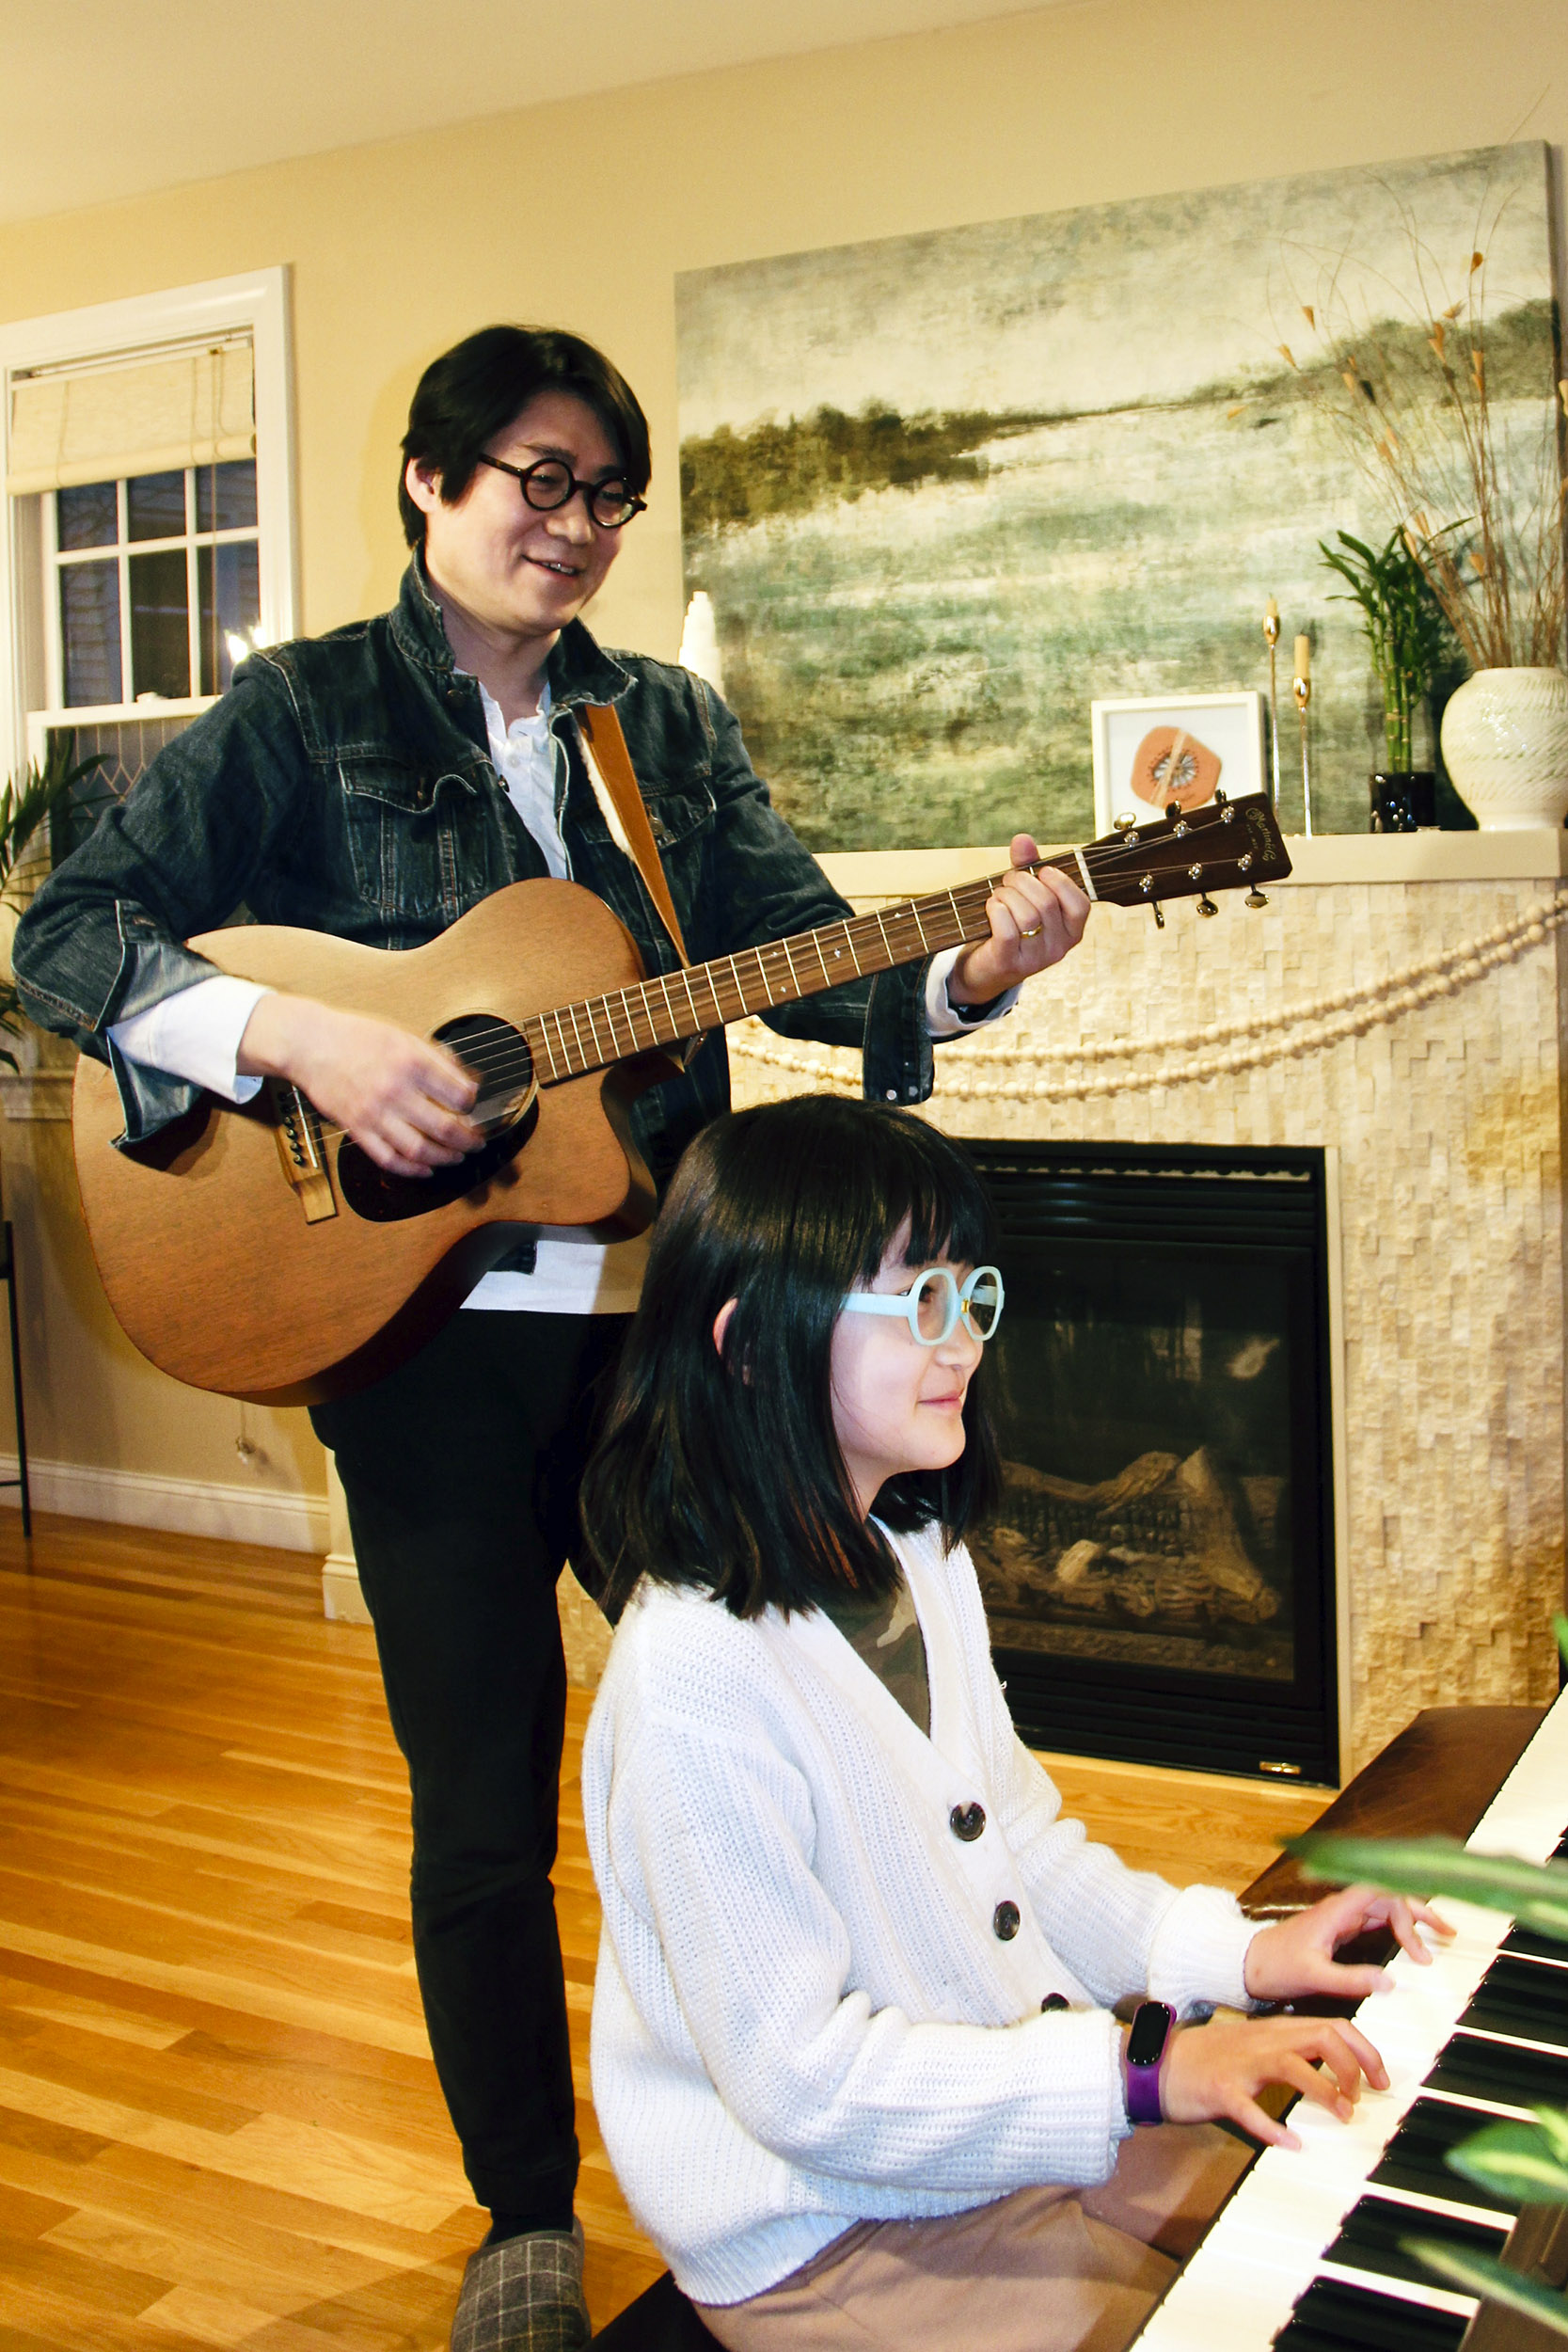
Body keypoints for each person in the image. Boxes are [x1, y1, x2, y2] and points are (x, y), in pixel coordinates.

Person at [11, 326, 1090, 2350]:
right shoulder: (302, 709)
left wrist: (962, 969)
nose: (574, 524)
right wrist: (302, 1033)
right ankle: (524, 2209)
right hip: (408, 1345)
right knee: (484, 1794)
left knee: (822, 1686)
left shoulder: (661, 730)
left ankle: (895, 2087)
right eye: (538, 476)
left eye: (607, 492)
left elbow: (816, 960)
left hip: (658, 1340)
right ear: (430, 482)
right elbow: (65, 932)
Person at [578, 1094, 1450, 2352]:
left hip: (984, 2111)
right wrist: (1142, 2076)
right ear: (755, 1344)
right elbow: (803, 2085)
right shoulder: (693, 1679)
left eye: (968, 1293)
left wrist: (1243, 1960)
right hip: (823, 2227)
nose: (966, 1343)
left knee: (1331, 2188)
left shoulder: (922, 1554)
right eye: (916, 1303)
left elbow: (1025, 1852)